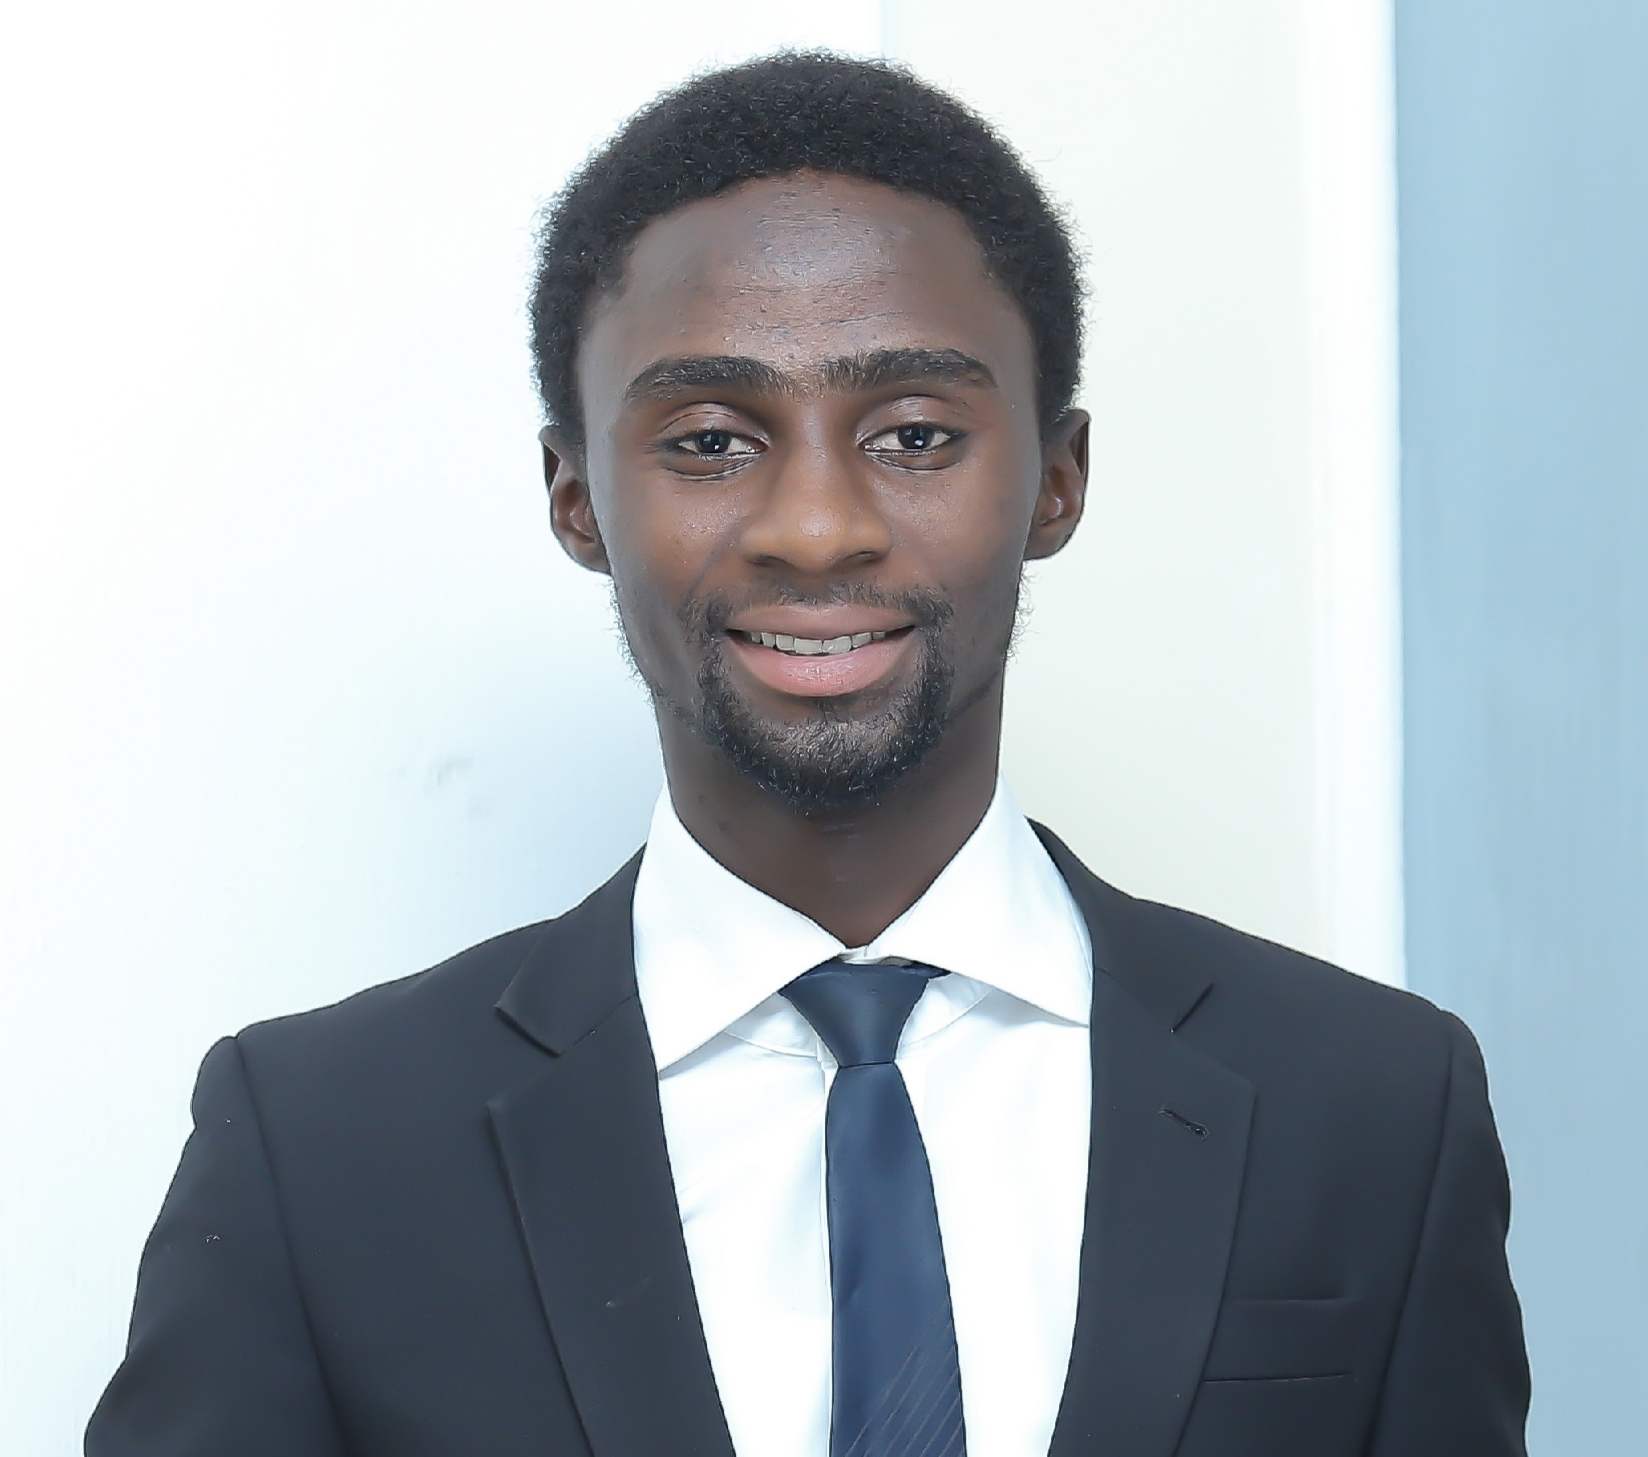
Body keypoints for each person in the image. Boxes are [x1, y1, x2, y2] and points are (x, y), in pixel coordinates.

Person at [86, 53, 1529, 1457]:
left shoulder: (1373, 1107)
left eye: (915, 434)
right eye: (712, 441)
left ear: (1057, 478)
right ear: (576, 498)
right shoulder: (320, 1144)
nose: (818, 527)